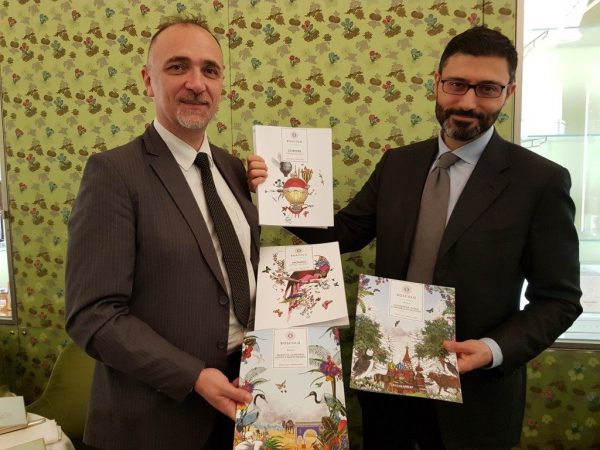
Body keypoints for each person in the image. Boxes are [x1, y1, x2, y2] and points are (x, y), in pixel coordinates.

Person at [247, 26, 582, 450]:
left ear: (509, 92)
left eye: (487, 89)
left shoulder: (540, 181)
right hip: (387, 388)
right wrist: (278, 193)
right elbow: (345, 232)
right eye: (457, 84)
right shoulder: (398, 165)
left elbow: (560, 299)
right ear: (437, 82)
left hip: (473, 400)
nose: (468, 102)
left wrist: (492, 349)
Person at [66, 17, 258, 450]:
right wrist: (193, 376)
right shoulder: (113, 173)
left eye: (210, 70)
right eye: (177, 67)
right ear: (148, 80)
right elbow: (92, 315)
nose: (197, 83)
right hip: (156, 420)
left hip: (242, 402)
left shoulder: (233, 169)